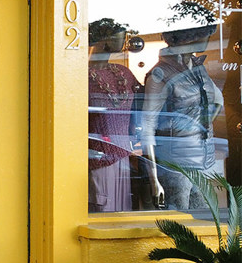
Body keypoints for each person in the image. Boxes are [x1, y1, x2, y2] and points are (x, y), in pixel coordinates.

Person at [141, 15, 222, 210]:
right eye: (203, 33)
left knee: (205, 223)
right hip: (175, 165)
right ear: (187, 36)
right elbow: (146, 127)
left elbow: (218, 100)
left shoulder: (198, 68)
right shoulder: (161, 73)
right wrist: (154, 181)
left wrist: (200, 124)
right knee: (179, 226)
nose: (208, 38)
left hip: (204, 161)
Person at [88, 20, 142, 212]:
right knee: (103, 210)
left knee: (122, 211)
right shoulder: (81, 76)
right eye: (118, 35)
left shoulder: (124, 73)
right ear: (103, 38)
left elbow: (141, 108)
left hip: (123, 156)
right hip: (97, 159)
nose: (124, 40)